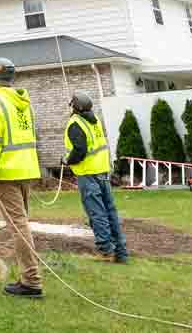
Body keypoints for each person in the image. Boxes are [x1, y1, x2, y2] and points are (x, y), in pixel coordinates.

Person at [0, 57, 42, 298]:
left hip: (6, 172)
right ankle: (27, 276)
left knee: (18, 227)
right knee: (22, 224)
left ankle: (32, 281)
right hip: (27, 169)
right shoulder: (23, 103)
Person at [64, 91, 128, 263]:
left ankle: (106, 251)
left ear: (74, 107)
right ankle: (121, 251)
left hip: (88, 174)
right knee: (110, 212)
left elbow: (80, 151)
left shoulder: (75, 124)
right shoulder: (95, 120)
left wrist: (66, 160)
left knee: (97, 213)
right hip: (102, 172)